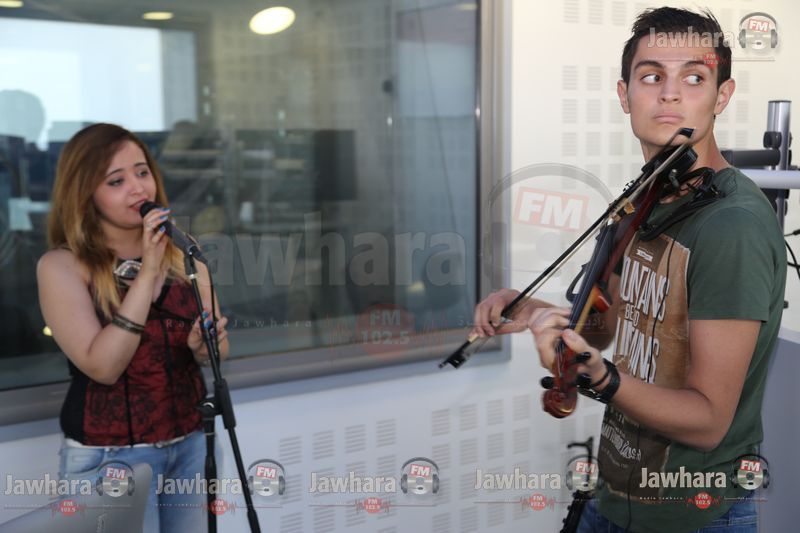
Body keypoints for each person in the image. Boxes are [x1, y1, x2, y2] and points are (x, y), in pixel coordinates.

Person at [472, 7, 786, 533]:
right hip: (615, 493)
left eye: (694, 77)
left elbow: (709, 421)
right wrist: (536, 312)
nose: (670, 94)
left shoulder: (731, 225)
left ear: (722, 95)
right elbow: (608, 325)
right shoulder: (646, 197)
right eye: (651, 76)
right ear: (625, 94)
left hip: (692, 514)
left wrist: (598, 376)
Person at [37, 123, 229, 532]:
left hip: (192, 444)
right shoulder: (61, 266)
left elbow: (218, 352)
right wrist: (148, 273)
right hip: (110, 459)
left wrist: (203, 345)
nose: (138, 188)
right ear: (85, 193)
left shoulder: (184, 252)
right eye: (116, 181)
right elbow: (104, 367)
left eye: (142, 172)